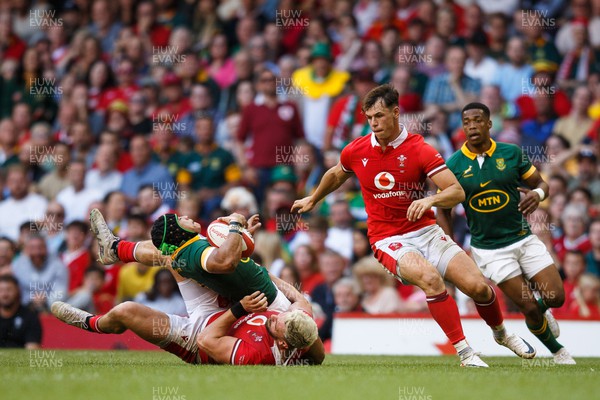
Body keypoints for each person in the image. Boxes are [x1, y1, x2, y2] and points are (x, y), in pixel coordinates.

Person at [292, 84, 534, 367]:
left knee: (479, 287)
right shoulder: (357, 149)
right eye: (369, 117)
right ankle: (466, 352)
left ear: (396, 113)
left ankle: (501, 334)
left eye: (379, 116)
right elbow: (337, 173)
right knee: (430, 280)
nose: (373, 123)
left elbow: (456, 192)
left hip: (426, 232)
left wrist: (430, 200)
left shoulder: (420, 149)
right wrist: (314, 197)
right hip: (387, 239)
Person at [438, 102, 575, 365]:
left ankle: (544, 314)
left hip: (523, 238)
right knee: (528, 306)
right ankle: (558, 352)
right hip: (490, 250)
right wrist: (449, 242)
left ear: (489, 124)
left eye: (478, 120)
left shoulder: (511, 153)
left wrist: (537, 194)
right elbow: (443, 209)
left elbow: (541, 183)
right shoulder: (453, 164)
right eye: (466, 122)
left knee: (555, 297)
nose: (472, 126)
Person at [0, 275, 42, 348]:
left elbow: (33, 347)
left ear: (17, 290)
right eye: (1, 290)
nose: (5, 294)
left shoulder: (30, 316)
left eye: (9, 290)